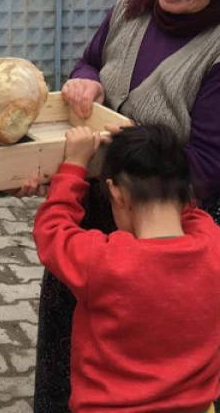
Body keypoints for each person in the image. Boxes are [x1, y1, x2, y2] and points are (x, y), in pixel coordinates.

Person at [35, 0, 220, 413]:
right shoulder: (130, 7)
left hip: (173, 228)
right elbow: (91, 59)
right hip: (98, 209)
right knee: (64, 343)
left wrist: (90, 167)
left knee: (145, 358)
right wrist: (85, 78)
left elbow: (205, 163)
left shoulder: (216, 49)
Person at [34, 124, 220, 413]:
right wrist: (151, 151)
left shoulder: (103, 262)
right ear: (185, 192)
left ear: (116, 194)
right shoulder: (214, 246)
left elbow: (52, 229)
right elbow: (193, 213)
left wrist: (73, 166)